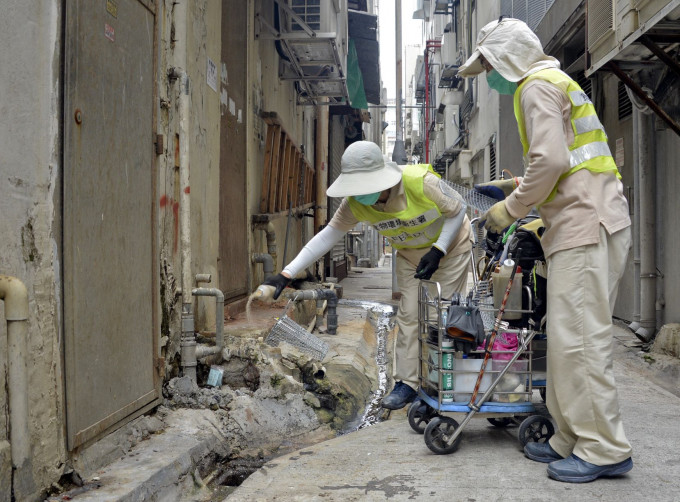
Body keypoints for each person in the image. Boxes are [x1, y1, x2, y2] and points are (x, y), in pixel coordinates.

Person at [459, 18, 633, 483]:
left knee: (580, 341)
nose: (490, 79)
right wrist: (519, 185)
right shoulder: (554, 81)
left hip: (585, 226)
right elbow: (568, 162)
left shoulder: (535, 86)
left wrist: (509, 209)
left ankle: (603, 448)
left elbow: (552, 161)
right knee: (566, 339)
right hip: (585, 222)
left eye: (490, 67)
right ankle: (569, 438)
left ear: (506, 60)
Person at [259, 140, 472, 410]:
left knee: (438, 317)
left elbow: (459, 208)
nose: (360, 193)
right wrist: (285, 274)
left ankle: (438, 383)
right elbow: (328, 236)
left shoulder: (419, 182)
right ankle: (407, 384)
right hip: (410, 256)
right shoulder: (356, 204)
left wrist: (438, 250)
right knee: (408, 316)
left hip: (450, 250)